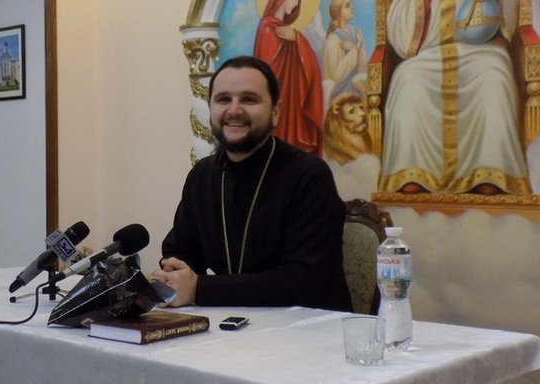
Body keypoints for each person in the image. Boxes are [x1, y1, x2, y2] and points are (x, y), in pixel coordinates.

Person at [151, 56, 352, 311]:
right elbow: (180, 249)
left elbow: (304, 279)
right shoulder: (203, 175)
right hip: (229, 324)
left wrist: (200, 289)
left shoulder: (309, 176)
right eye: (223, 99)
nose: (234, 110)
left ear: (276, 112)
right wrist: (173, 272)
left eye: (249, 99)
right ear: (210, 107)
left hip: (308, 331)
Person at [379, 0, 531, 195]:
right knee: (408, 82)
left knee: (494, 80)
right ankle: (412, 173)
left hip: (482, 51)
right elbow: (401, 35)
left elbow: (507, 19)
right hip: (429, 55)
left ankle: (490, 173)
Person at [253, 0, 324, 156]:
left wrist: (297, 39)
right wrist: (294, 41)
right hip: (278, 96)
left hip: (292, 96)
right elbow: (268, 69)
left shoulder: (286, 30)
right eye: (293, 0)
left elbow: (309, 66)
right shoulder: (267, 27)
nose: (296, 4)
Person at [321, 0, 367, 101]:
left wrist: (358, 46)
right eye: (347, 5)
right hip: (341, 94)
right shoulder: (333, 39)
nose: (352, 7)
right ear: (338, 12)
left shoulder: (355, 33)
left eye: (351, 4)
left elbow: (363, 68)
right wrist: (356, 48)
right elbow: (337, 75)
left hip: (356, 89)